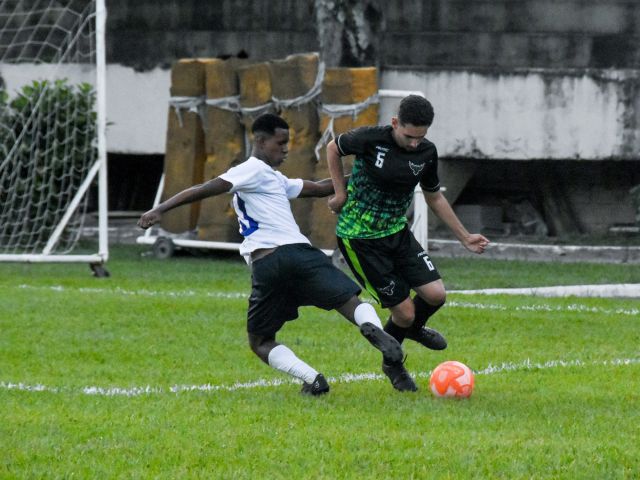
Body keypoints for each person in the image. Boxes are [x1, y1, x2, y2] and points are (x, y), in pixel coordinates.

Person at [138, 113, 405, 396]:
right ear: (261, 141)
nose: (286, 149)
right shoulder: (251, 170)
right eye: (280, 143)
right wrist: (161, 209)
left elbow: (318, 188)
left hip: (268, 261)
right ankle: (374, 330)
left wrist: (367, 176)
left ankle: (313, 379)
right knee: (349, 302)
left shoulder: (270, 177)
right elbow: (207, 188)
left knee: (260, 341)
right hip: (302, 254)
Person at [325, 95, 490, 392]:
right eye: (409, 136)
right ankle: (393, 363)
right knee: (403, 311)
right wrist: (340, 194)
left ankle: (412, 330)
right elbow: (333, 148)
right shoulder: (369, 139)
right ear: (395, 123)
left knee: (436, 295)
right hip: (360, 239)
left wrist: (464, 237)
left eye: (421, 137)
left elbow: (434, 195)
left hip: (397, 233)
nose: (415, 143)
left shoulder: (426, 152)